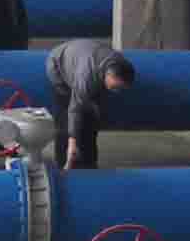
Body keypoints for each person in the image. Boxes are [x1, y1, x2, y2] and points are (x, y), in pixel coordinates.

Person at [43, 38, 135, 169]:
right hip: (58, 65)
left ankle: (89, 164)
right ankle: (64, 163)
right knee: (66, 119)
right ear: (109, 74)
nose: (117, 91)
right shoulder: (86, 77)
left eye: (120, 88)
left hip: (84, 56)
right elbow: (74, 109)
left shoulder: (120, 64)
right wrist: (72, 141)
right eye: (115, 87)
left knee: (90, 121)